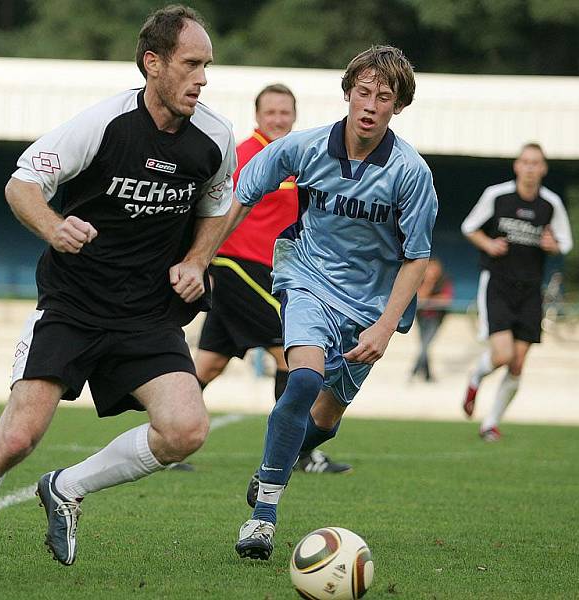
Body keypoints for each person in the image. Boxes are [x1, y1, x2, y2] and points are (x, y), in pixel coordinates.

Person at [0, 6, 236, 589]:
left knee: (185, 430)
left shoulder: (214, 136)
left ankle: (66, 487)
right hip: (73, 305)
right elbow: (22, 183)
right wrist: (54, 226)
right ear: (152, 63)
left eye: (206, 66)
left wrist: (196, 260)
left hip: (146, 315)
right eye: (191, 64)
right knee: (15, 437)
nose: (202, 78)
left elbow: (217, 203)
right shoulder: (103, 123)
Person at [218, 45, 438, 561]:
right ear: (347, 93)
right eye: (363, 91)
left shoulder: (411, 172)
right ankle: (263, 516)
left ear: (398, 107)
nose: (370, 104)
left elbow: (416, 257)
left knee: (324, 420)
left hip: (371, 309)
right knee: (303, 378)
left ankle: (273, 466)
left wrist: (385, 327)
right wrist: (195, 255)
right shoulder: (305, 147)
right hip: (308, 278)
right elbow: (241, 196)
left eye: (383, 97)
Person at [194, 84, 351, 477]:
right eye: (271, 113)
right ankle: (297, 453)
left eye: (285, 112)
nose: (278, 119)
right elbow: (218, 205)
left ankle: (162, 435)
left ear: (294, 116)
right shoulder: (247, 155)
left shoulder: (298, 158)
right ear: (257, 116)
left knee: (209, 365)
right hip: (239, 266)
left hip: (273, 270)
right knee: (292, 352)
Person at [460, 142, 573, 442]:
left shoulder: (551, 203)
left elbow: (566, 241)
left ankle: (490, 424)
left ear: (544, 168)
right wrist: (488, 244)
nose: (530, 168)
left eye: (536, 163)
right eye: (525, 162)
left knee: (518, 363)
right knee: (502, 355)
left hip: (531, 290)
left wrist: (554, 246)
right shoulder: (497, 196)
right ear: (517, 166)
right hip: (497, 284)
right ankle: (475, 378)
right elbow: (469, 226)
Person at [410, 257, 453, 382]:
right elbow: (419, 297)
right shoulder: (421, 280)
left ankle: (413, 371)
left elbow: (445, 299)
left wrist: (429, 300)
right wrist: (429, 282)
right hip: (421, 317)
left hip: (436, 318)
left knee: (425, 345)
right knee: (424, 345)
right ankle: (428, 375)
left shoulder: (445, 281)